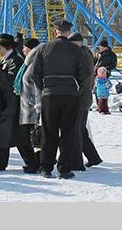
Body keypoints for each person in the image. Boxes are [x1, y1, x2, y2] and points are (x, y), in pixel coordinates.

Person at [33, 19, 90, 179]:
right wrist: (77, 88)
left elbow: (35, 73)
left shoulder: (44, 48)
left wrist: (44, 87)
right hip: (70, 94)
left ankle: (46, 167)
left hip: (49, 94)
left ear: (55, 31)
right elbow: (85, 73)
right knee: (68, 132)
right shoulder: (76, 50)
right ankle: (64, 168)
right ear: (68, 32)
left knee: (49, 131)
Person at [0, 33, 36, 172]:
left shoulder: (15, 60)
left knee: (9, 134)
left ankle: (2, 163)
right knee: (15, 135)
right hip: (9, 103)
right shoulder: (10, 59)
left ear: (7, 47)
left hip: (11, 103)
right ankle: (30, 162)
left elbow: (12, 81)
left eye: (0, 48)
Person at [69, 32, 102, 170]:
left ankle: (80, 160)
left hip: (81, 97)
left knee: (77, 130)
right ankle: (93, 157)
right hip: (84, 97)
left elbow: (82, 78)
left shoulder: (81, 55)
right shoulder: (86, 54)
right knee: (80, 129)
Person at [17, 38, 44, 173]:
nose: (23, 50)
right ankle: (35, 163)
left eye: (25, 47)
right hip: (26, 107)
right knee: (29, 137)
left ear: (31, 49)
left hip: (33, 107)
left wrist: (38, 107)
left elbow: (38, 86)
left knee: (32, 138)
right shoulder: (28, 63)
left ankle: (36, 163)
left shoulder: (34, 63)